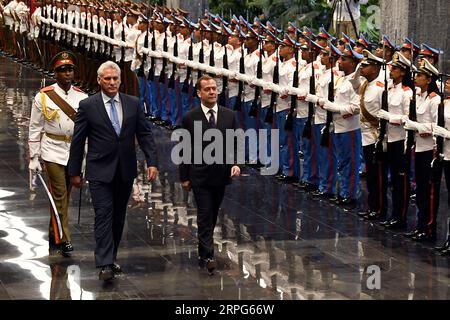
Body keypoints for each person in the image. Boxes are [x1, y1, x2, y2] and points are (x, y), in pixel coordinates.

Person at [68, 61, 159, 281]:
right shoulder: (88, 105)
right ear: (99, 80)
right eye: (107, 79)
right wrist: (74, 172)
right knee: (103, 215)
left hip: (125, 169)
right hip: (99, 170)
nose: (111, 82)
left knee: (118, 217)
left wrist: (152, 161)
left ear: (120, 80)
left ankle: (112, 256)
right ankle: (104, 264)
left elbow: (145, 134)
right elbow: (78, 141)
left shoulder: (133, 103)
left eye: (115, 78)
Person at [28, 51, 88, 257]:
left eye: (70, 69)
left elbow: (86, 131)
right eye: (62, 70)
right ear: (55, 73)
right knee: (60, 193)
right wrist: (34, 157)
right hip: (51, 149)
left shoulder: (82, 96)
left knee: (64, 196)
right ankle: (65, 238)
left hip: (74, 151)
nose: (67, 74)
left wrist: (86, 157)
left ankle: (54, 233)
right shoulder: (43, 96)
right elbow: (35, 128)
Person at [179, 75, 241, 275]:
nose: (212, 92)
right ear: (199, 93)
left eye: (214, 89)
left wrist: (236, 163)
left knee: (213, 213)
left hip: (221, 175)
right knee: (205, 214)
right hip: (199, 176)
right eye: (208, 89)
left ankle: (202, 249)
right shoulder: (191, 117)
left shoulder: (229, 115)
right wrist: (184, 177)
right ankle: (208, 255)